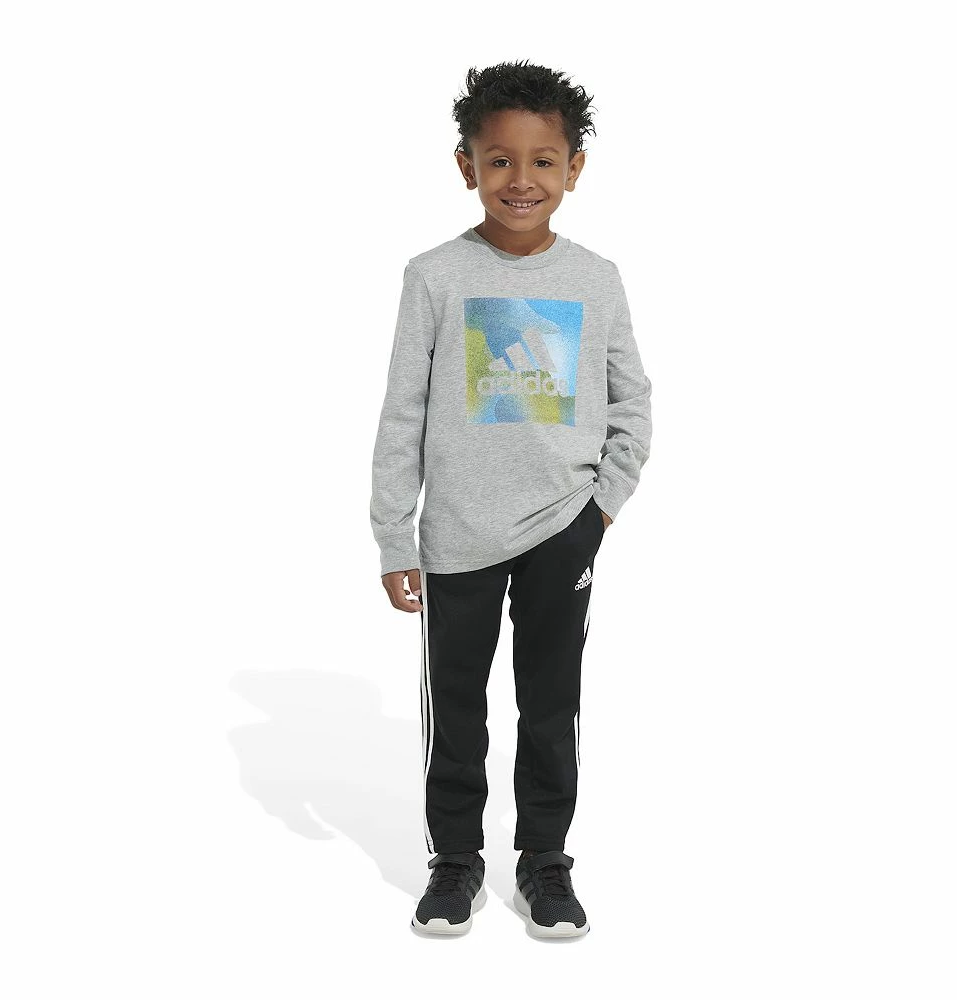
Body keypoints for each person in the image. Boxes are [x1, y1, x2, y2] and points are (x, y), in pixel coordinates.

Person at [369, 60, 652, 939]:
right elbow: (403, 410)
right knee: (456, 707)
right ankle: (454, 859)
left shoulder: (596, 278)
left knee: (550, 704)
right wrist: (394, 536)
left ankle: (546, 860)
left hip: (561, 529)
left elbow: (632, 400)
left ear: (574, 169)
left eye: (542, 161)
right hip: (456, 534)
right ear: (467, 166)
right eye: (498, 160)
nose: (520, 180)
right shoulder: (434, 275)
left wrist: (600, 510)